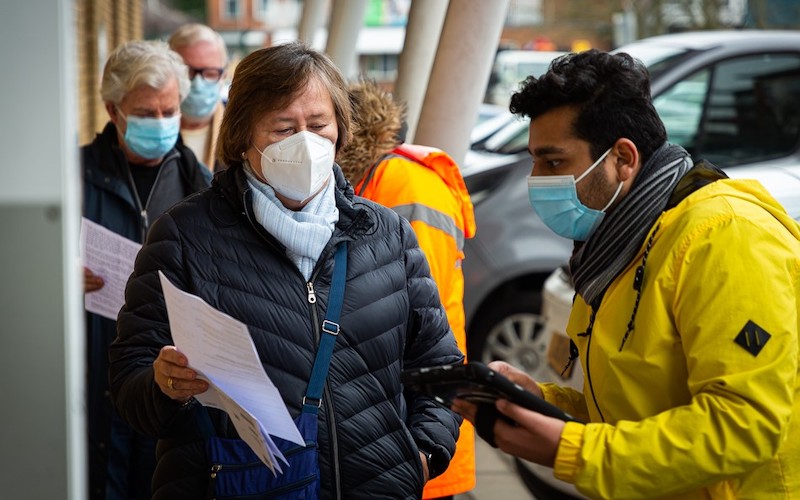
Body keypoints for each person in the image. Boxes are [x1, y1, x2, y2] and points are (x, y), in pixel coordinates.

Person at [108, 41, 463, 500]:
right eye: (282, 128)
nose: (305, 143)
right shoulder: (184, 236)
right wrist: (164, 386)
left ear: (340, 130)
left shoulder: (386, 235)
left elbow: (439, 367)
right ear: (242, 139)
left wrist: (422, 455)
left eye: (318, 125)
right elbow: (128, 383)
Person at [453, 49, 800, 498]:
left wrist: (572, 449)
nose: (534, 179)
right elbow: (640, 407)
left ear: (623, 158)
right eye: (535, 161)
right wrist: (543, 402)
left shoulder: (724, 235)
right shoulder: (619, 244)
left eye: (553, 162)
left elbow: (743, 425)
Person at [82, 39, 212, 499]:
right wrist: (54, 275)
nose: (161, 125)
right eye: (146, 114)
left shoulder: (204, 187)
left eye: (169, 111)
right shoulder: (74, 179)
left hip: (174, 377)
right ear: (113, 110)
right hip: (93, 372)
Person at [336, 79, 476, 500]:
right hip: (393, 423)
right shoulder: (375, 179)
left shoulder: (406, 187)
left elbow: (413, 315)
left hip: (417, 428)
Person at [168, 23, 228, 172]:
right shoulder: (153, 132)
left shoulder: (242, 134)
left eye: (210, 73)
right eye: (187, 72)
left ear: (223, 76)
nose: (198, 83)